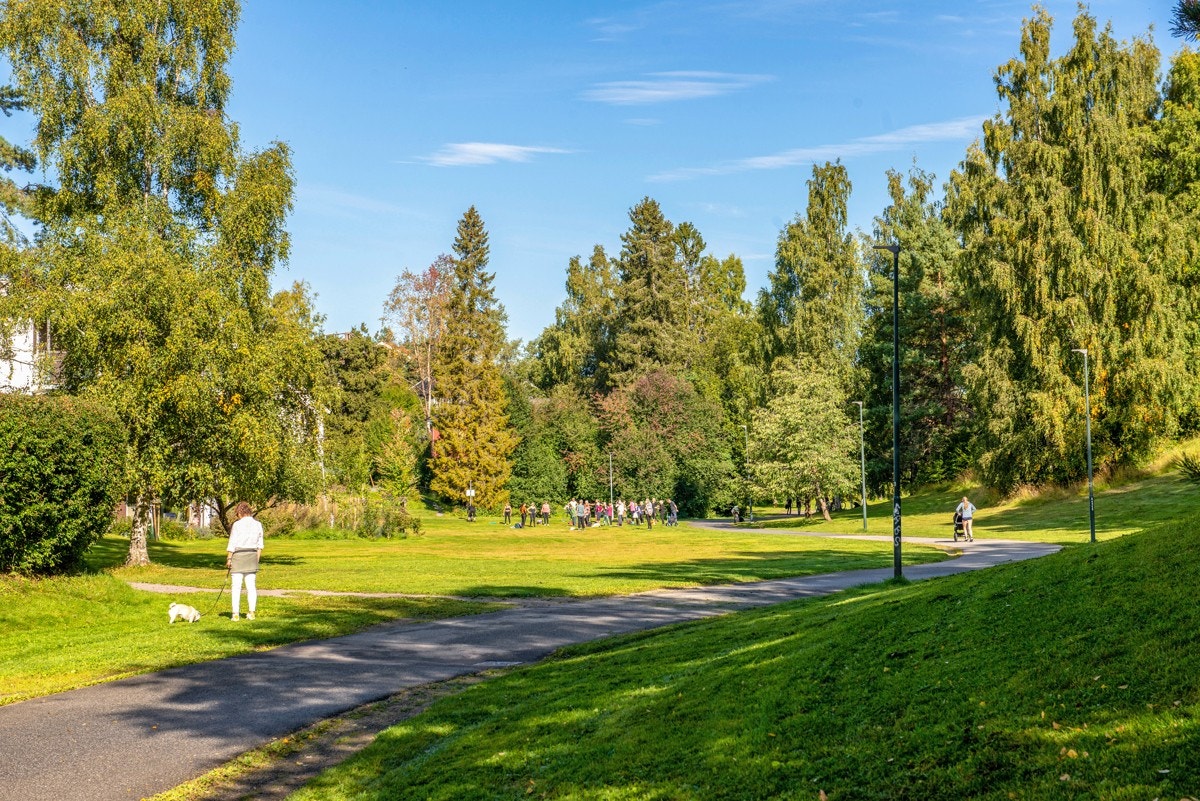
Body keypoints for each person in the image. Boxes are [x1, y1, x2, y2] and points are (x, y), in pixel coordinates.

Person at [225, 501, 263, 621]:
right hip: (252, 555)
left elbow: (232, 543)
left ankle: (235, 614)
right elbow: (260, 545)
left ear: (239, 512)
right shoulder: (258, 524)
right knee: (251, 586)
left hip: (239, 555)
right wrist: (256, 559)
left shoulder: (237, 525)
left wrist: (229, 558)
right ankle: (251, 612)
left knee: (236, 586)